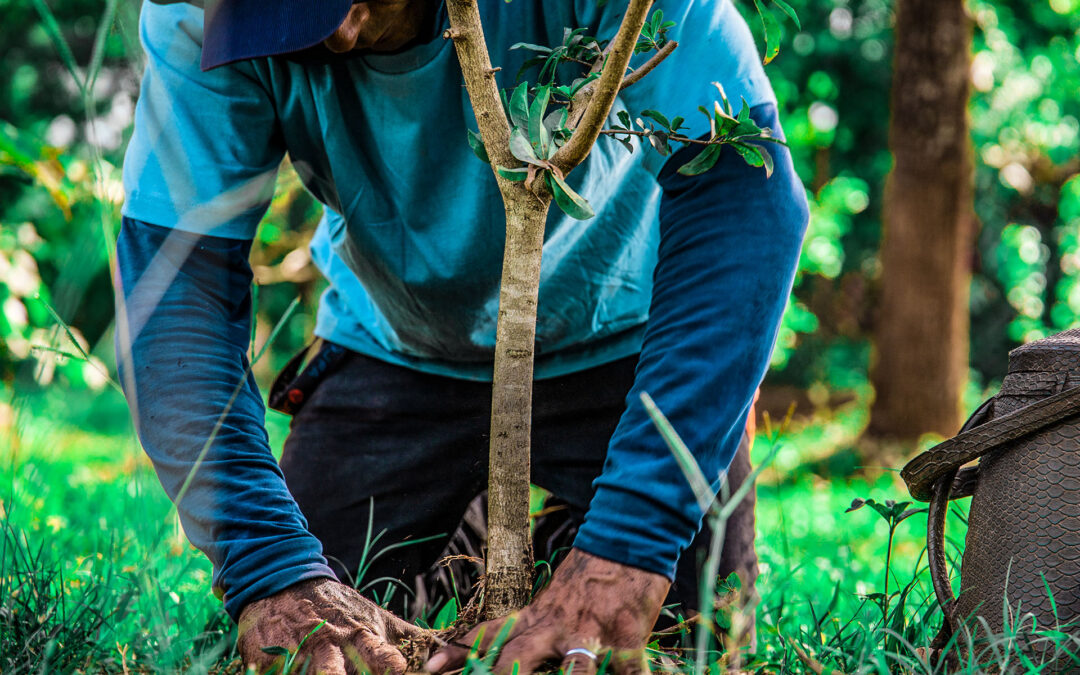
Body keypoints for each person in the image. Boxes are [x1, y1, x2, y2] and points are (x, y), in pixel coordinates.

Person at [114, 0, 809, 672]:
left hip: (623, 340)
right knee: (316, 632)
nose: (338, 36)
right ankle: (475, 554)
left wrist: (629, 541)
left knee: (689, 639)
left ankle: (577, 536)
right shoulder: (198, 14)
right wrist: (267, 565)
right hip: (394, 346)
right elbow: (176, 292)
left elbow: (748, 195)